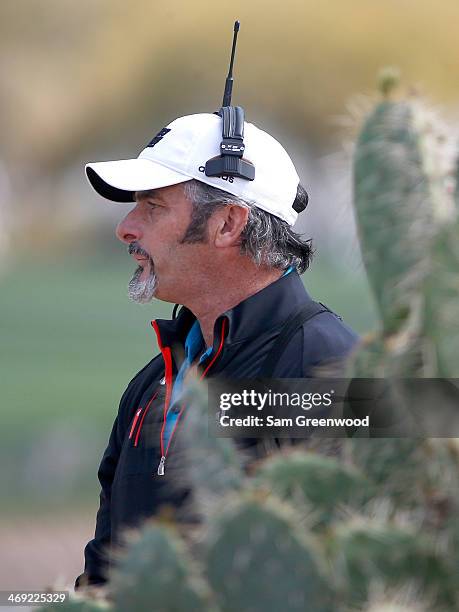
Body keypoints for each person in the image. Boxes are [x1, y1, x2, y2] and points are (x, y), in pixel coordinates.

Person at [74, 112, 359, 589]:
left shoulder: (328, 364)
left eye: (154, 205)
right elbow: (102, 576)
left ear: (228, 223)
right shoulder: (152, 382)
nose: (126, 227)